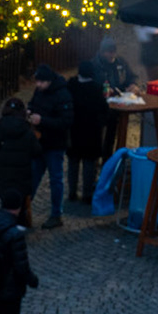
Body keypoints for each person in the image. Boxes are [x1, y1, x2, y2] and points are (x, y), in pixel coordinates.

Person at [25, 64, 72, 229]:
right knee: (33, 176)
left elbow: (66, 121)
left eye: (41, 82)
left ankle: (56, 214)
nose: (38, 85)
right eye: (37, 81)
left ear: (49, 81)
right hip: (39, 142)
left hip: (55, 144)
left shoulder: (62, 94)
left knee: (55, 179)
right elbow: (32, 103)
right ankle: (25, 209)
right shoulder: (40, 91)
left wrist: (42, 120)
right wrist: (29, 111)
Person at [0, 98, 40, 225]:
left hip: (2, 176)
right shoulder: (28, 132)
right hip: (22, 177)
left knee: (3, 199)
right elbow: (36, 151)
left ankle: (3, 222)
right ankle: (20, 220)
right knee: (20, 198)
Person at [65, 61, 108, 207]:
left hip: (74, 130)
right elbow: (104, 110)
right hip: (92, 132)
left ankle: (72, 191)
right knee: (89, 164)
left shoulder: (70, 86)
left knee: (73, 162)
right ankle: (87, 194)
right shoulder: (97, 89)